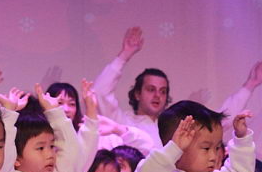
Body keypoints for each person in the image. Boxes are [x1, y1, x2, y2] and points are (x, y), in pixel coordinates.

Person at [93, 27, 262, 148]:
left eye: (163, 91)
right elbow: (100, 92)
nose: (157, 96)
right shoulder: (122, 121)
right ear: (137, 94)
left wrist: (250, 84)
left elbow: (219, 121)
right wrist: (124, 56)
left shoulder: (174, 127)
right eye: (151, 89)